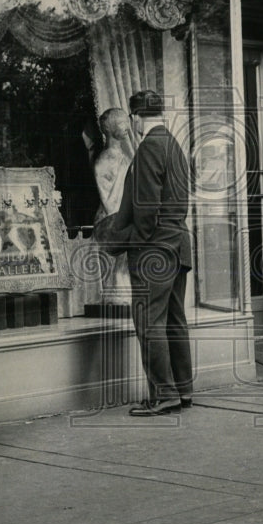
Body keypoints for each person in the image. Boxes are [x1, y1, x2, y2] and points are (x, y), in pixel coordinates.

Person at [110, 90, 193, 416]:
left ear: (135, 117)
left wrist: (130, 243)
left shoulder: (148, 148)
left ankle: (163, 395)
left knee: (150, 321)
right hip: (178, 243)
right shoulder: (174, 146)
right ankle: (182, 390)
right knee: (174, 320)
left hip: (154, 247)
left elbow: (146, 210)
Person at [93, 108, 134, 301]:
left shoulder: (122, 157)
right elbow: (108, 200)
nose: (126, 127)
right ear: (109, 129)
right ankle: (117, 296)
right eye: (121, 123)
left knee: (123, 266)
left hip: (123, 217)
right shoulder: (105, 160)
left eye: (127, 122)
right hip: (113, 220)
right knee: (118, 265)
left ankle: (122, 295)